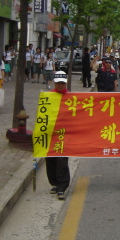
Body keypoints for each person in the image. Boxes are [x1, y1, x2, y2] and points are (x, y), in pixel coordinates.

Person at [46, 71, 71, 200]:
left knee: (62, 160)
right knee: (50, 159)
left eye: (62, 83)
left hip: (64, 134)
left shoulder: (72, 97)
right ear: (54, 83)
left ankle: (62, 187)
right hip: (50, 133)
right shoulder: (48, 97)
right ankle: (54, 183)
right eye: (58, 83)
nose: (60, 86)